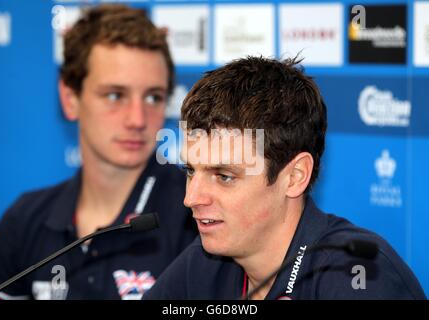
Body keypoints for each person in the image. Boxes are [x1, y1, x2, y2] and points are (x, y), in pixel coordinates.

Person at [143, 56, 426, 300]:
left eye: (224, 176)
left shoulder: (357, 276)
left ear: (294, 176)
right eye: (191, 170)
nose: (191, 198)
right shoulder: (205, 264)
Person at [0, 4, 196, 300]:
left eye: (154, 97)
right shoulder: (25, 220)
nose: (138, 119)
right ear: (70, 98)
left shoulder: (197, 214)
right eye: (115, 95)